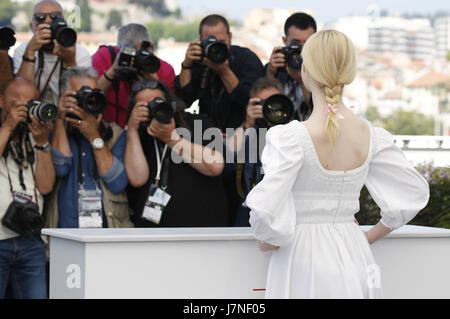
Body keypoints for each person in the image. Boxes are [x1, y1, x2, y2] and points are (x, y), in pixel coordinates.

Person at [245, 30, 430, 298]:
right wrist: (366, 238)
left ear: (305, 69)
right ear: (349, 73)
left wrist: (268, 239)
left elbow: (264, 211)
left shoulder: (290, 138)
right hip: (355, 253)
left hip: (301, 256)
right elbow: (411, 195)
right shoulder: (372, 136)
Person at [125, 78, 228, 227]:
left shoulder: (196, 123)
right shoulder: (138, 135)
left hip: (202, 229)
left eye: (158, 102)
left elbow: (215, 166)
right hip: (154, 233)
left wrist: (171, 139)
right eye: (145, 106)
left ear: (170, 102)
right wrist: (132, 129)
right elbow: (137, 178)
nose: (154, 109)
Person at [46, 67, 133, 229]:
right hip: (66, 232)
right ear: (65, 97)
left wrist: (93, 135)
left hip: (108, 231)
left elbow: (117, 182)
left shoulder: (115, 133)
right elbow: (60, 168)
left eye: (93, 94)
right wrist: (60, 119)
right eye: (80, 95)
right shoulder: (53, 132)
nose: (88, 100)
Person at [0, 78, 55, 299]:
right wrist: (8, 126)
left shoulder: (35, 134)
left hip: (31, 239)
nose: (24, 110)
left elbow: (46, 185)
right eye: (16, 104)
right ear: (1, 102)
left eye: (30, 103)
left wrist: (42, 142)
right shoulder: (4, 130)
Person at [175, 14, 264, 132]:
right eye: (210, 42)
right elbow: (185, 99)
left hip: (243, 133)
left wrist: (224, 72)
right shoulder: (199, 60)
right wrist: (186, 65)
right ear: (200, 40)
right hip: (208, 136)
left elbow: (247, 97)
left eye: (221, 42)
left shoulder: (246, 59)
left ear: (230, 37)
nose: (215, 47)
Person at [226, 77, 286, 226]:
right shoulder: (248, 133)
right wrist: (247, 124)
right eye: (262, 104)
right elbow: (225, 161)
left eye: (273, 103)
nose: (269, 109)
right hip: (248, 212)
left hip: (284, 212)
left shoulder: (294, 132)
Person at [92, 23, 176, 128]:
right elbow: (91, 101)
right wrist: (112, 72)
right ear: (119, 49)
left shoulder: (164, 70)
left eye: (140, 55)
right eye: (129, 54)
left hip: (148, 135)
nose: (134, 62)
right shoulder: (105, 57)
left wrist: (155, 85)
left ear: (151, 47)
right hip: (110, 133)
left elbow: (171, 114)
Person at [13, 0, 91, 105]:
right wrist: (30, 53)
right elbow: (22, 97)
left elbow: (81, 97)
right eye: (40, 18)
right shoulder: (23, 51)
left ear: (64, 23)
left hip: (65, 116)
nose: (48, 21)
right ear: (32, 27)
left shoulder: (80, 53)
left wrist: (70, 61)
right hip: (34, 115)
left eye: (55, 17)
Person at [265, 12, 316, 121]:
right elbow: (267, 110)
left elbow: (321, 113)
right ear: (285, 41)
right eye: (296, 43)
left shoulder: (322, 71)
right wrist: (270, 74)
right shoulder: (275, 68)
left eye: (307, 43)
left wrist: (303, 81)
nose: (301, 49)